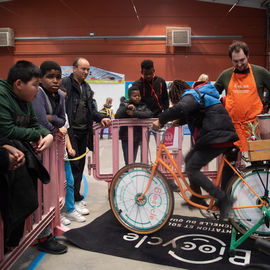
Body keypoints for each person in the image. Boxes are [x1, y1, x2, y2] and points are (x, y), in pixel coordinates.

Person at [0, 60, 67, 254]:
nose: (38, 90)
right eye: (35, 84)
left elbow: (34, 124)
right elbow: (7, 129)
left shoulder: (25, 98)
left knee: (30, 199)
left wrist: (45, 134)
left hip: (18, 158)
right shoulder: (3, 95)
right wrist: (37, 135)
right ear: (19, 84)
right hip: (7, 162)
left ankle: (14, 240)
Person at [151, 79, 239, 220]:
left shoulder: (190, 95)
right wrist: (179, 122)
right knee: (189, 159)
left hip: (217, 135)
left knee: (192, 168)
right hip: (217, 133)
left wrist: (160, 120)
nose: (176, 102)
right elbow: (199, 112)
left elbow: (181, 108)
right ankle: (196, 197)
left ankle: (223, 198)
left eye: (175, 99)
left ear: (177, 94)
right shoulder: (198, 95)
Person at [62, 57, 111, 215]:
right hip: (70, 134)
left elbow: (91, 110)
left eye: (88, 69)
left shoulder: (87, 88)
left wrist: (100, 117)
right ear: (74, 68)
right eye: (83, 69)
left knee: (79, 168)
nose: (86, 72)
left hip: (84, 133)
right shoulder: (65, 84)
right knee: (71, 170)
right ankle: (71, 203)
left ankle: (75, 199)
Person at [214, 41, 270, 152]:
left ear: (248, 56)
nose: (239, 64)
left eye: (242, 60)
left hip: (254, 128)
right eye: (235, 61)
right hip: (232, 129)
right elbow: (212, 94)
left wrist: (267, 105)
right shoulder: (226, 75)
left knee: (256, 163)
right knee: (230, 163)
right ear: (231, 60)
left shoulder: (260, 73)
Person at [115, 86, 153, 165]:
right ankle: (128, 174)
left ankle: (130, 173)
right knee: (128, 161)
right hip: (126, 137)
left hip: (137, 137)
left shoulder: (143, 105)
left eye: (139, 95)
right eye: (135, 96)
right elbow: (117, 115)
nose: (137, 98)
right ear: (129, 97)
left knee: (132, 160)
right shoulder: (124, 104)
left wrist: (135, 113)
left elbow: (149, 114)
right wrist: (126, 107)